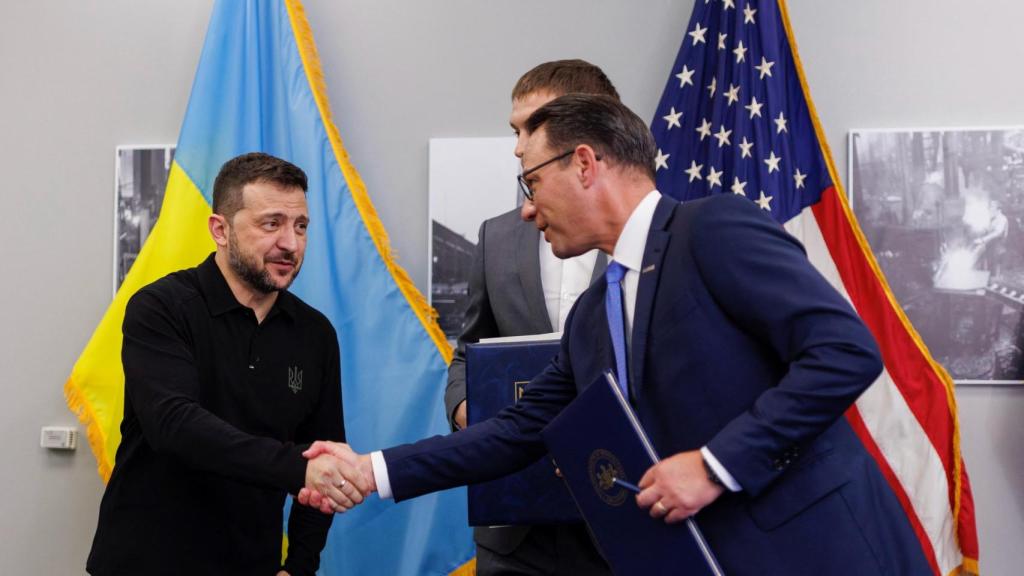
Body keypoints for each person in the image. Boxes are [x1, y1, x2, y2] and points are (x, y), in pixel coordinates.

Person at [304, 96, 933, 574]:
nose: (525, 208)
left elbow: (844, 351)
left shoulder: (711, 230)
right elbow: (515, 432)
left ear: (584, 164)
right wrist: (371, 469)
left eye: (529, 181)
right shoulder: (589, 320)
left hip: (818, 551)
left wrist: (715, 466)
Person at [87, 153, 369, 576]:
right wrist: (298, 469)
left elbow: (321, 455)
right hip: (144, 561)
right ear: (220, 229)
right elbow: (176, 425)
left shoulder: (315, 334)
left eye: (301, 226)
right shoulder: (160, 308)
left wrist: (300, 566)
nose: (290, 244)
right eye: (271, 223)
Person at [443, 59, 615, 576]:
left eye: (531, 128)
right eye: (514, 131)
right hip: (515, 534)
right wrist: (467, 411)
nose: (518, 146)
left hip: (622, 520)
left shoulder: (659, 240)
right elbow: (465, 354)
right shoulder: (497, 236)